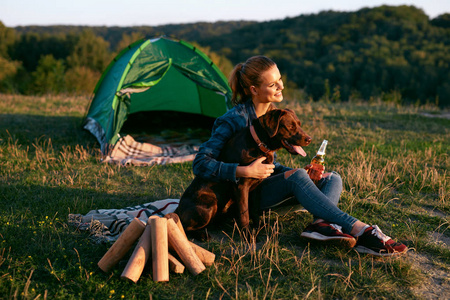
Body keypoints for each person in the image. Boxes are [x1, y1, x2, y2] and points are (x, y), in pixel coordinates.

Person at [192, 55, 408, 257]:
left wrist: (300, 173)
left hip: (262, 185)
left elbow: (268, 166)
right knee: (297, 178)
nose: (281, 87)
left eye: (280, 80)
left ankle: (321, 225)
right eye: (273, 84)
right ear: (254, 89)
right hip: (243, 197)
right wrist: (242, 171)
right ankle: (361, 230)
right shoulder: (232, 120)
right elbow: (200, 164)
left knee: (331, 178)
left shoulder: (274, 115)